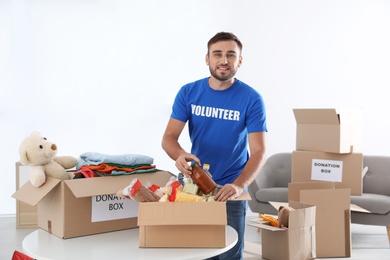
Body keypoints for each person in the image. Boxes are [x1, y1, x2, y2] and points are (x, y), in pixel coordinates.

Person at [161, 32, 267, 260]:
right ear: (207, 58)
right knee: (196, 253)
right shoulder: (189, 92)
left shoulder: (251, 99)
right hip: (193, 187)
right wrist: (179, 155)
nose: (224, 60)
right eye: (217, 54)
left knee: (229, 255)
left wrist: (239, 186)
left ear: (240, 61)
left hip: (230, 190)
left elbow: (259, 151)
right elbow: (169, 136)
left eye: (231, 55)